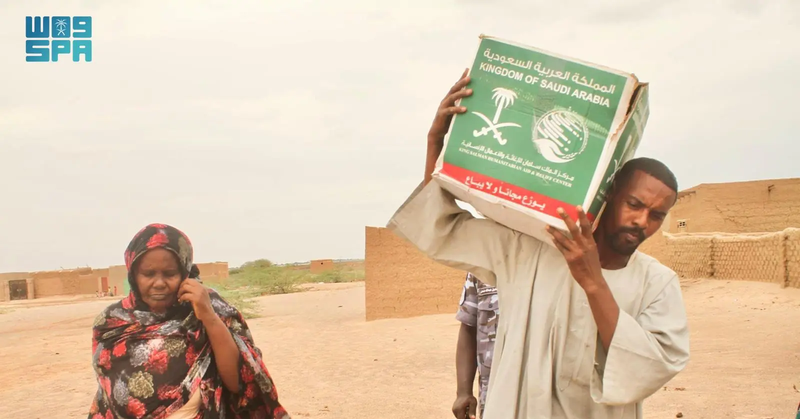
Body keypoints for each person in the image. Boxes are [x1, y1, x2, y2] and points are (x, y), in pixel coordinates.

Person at [387, 69, 690, 419]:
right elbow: (443, 226)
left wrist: (593, 282)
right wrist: (436, 144)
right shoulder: (528, 250)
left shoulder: (657, 283)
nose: (642, 222)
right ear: (609, 193)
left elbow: (652, 365)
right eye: (634, 205)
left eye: (657, 215)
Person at [87, 223, 289, 419]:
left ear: (185, 272)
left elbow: (239, 383)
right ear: (133, 275)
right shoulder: (111, 323)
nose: (159, 283)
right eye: (148, 274)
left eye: (170, 274)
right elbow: (108, 396)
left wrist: (208, 316)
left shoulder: (209, 308)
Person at [453, 272, 499, 419]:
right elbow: (469, 327)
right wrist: (463, 392)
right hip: (494, 395)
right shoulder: (480, 265)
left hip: (548, 395)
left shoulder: (557, 261)